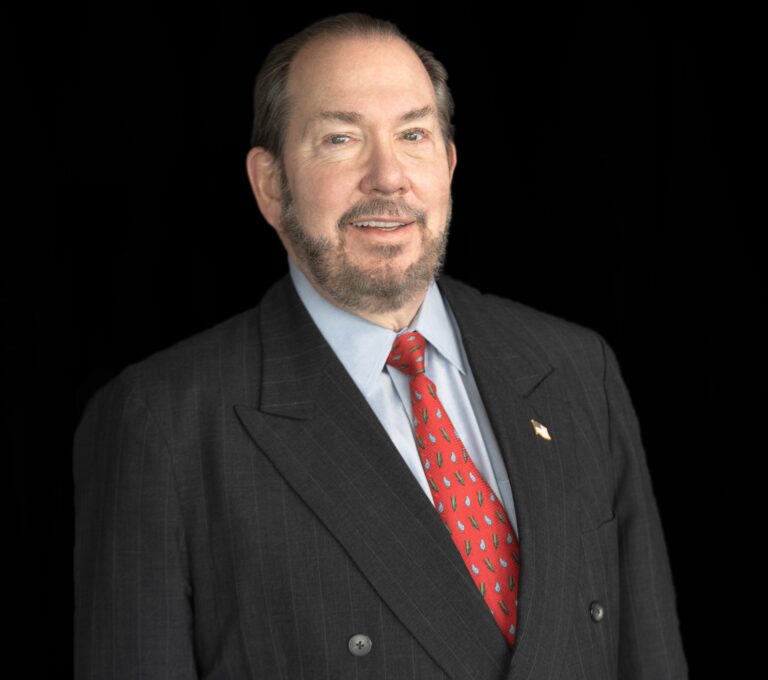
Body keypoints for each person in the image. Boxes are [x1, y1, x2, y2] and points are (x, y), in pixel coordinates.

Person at [73, 12, 688, 680]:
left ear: (448, 164)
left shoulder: (576, 369)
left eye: (413, 134)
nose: (388, 177)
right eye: (341, 139)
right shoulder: (163, 424)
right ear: (271, 184)